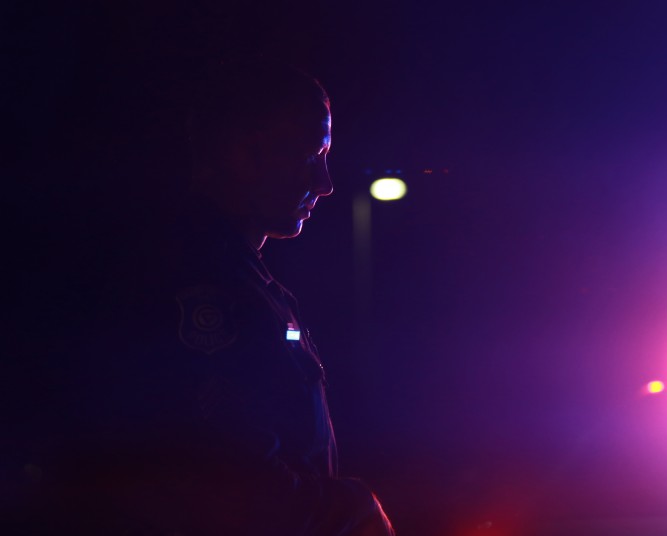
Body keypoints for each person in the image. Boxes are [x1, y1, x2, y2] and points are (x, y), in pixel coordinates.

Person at [17, 58, 395, 535]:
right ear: (244, 153)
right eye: (309, 154)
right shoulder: (195, 283)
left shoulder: (236, 279)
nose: (325, 183)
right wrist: (350, 508)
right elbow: (225, 488)